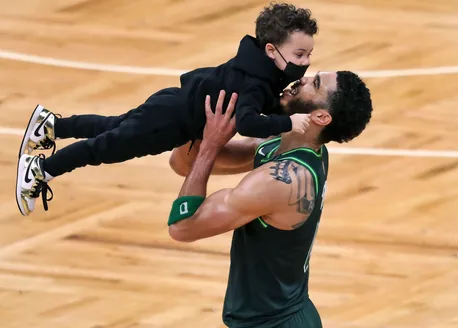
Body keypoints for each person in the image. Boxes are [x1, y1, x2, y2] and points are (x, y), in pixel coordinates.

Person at [15, 2, 317, 216]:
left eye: (308, 55)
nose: (304, 62)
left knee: (112, 126)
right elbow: (249, 123)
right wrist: (287, 124)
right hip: (168, 123)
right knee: (104, 147)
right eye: (299, 54)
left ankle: (51, 126)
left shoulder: (253, 65)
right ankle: (41, 171)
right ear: (271, 50)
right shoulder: (256, 80)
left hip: (170, 103)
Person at [167, 70, 373, 328]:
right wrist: (199, 122)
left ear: (321, 116)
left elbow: (183, 227)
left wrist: (210, 145)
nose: (303, 79)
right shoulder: (283, 142)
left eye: (315, 84)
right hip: (274, 317)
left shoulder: (283, 181)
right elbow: (185, 165)